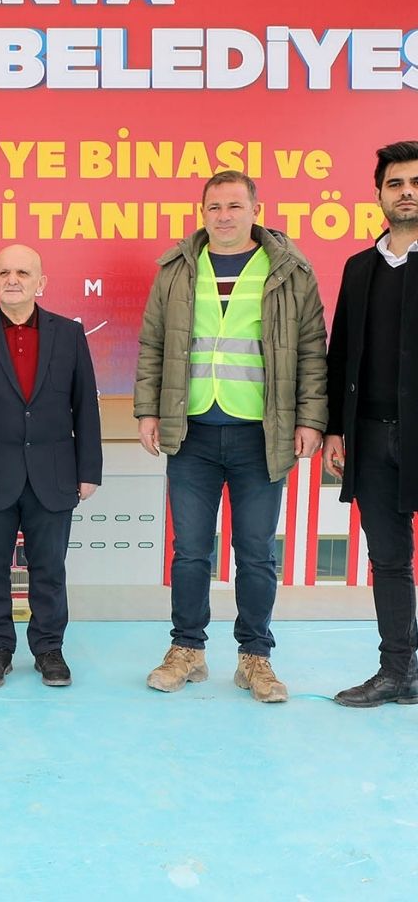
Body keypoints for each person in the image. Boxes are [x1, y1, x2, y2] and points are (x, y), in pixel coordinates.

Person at [134, 170, 327, 703]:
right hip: (191, 431)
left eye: (235, 205)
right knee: (190, 551)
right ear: (202, 212)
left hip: (260, 437)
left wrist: (310, 419)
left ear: (255, 209)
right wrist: (148, 411)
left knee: (256, 552)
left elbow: (312, 349)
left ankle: (255, 659)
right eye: (214, 206)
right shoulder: (177, 270)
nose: (224, 215)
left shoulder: (290, 270)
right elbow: (153, 343)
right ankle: (187, 651)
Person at [0, 244, 102, 688]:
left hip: (54, 473)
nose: (13, 280)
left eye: (23, 273)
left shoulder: (69, 335)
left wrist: (88, 470)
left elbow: (84, 405)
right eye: (5, 273)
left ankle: (49, 650)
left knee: (50, 568)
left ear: (40, 282)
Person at [325, 141, 418, 707]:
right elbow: (341, 356)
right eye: (395, 183)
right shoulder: (359, 269)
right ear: (379, 194)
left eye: (415, 182)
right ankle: (395, 672)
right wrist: (336, 428)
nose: (407, 191)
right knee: (388, 559)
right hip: (370, 435)